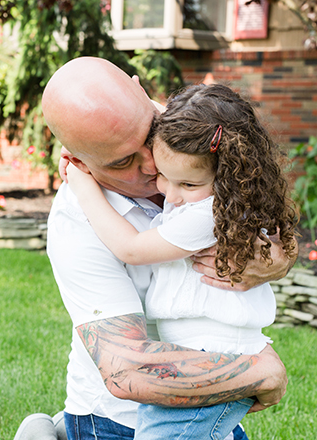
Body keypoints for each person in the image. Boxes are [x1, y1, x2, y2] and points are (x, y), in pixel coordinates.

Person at [35, 57, 291, 440]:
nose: (154, 166)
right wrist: (261, 371)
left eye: (147, 136)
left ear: (142, 92)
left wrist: (277, 259)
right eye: (123, 161)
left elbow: (268, 211)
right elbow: (127, 371)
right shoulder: (77, 219)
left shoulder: (192, 131)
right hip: (119, 420)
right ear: (77, 162)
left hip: (212, 388)